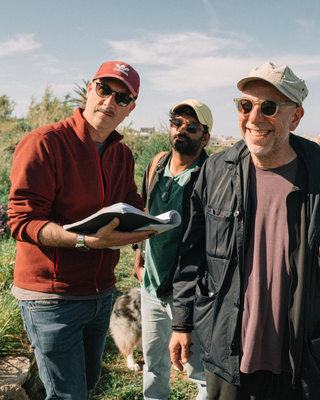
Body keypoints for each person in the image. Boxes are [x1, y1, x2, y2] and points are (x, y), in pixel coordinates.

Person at [169, 61, 320, 400]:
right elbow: (192, 252)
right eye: (246, 105)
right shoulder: (215, 170)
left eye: (268, 107)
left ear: (296, 117)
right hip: (228, 349)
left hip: (303, 358)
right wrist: (181, 322)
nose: (254, 118)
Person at [8, 61, 155, 399]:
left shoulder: (122, 154)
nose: (109, 102)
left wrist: (158, 225)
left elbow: (132, 204)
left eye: (122, 98)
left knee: (86, 387)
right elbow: (22, 221)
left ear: (130, 109)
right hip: (51, 297)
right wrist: (87, 241)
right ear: (90, 89)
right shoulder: (44, 143)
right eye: (104, 89)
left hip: (101, 295)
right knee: (67, 395)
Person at [134, 99, 211, 400]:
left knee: (199, 370)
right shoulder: (156, 164)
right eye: (177, 123)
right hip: (151, 287)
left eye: (192, 127)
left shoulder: (209, 175)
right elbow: (143, 212)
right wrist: (139, 258)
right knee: (153, 363)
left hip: (190, 292)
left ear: (205, 137)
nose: (182, 130)